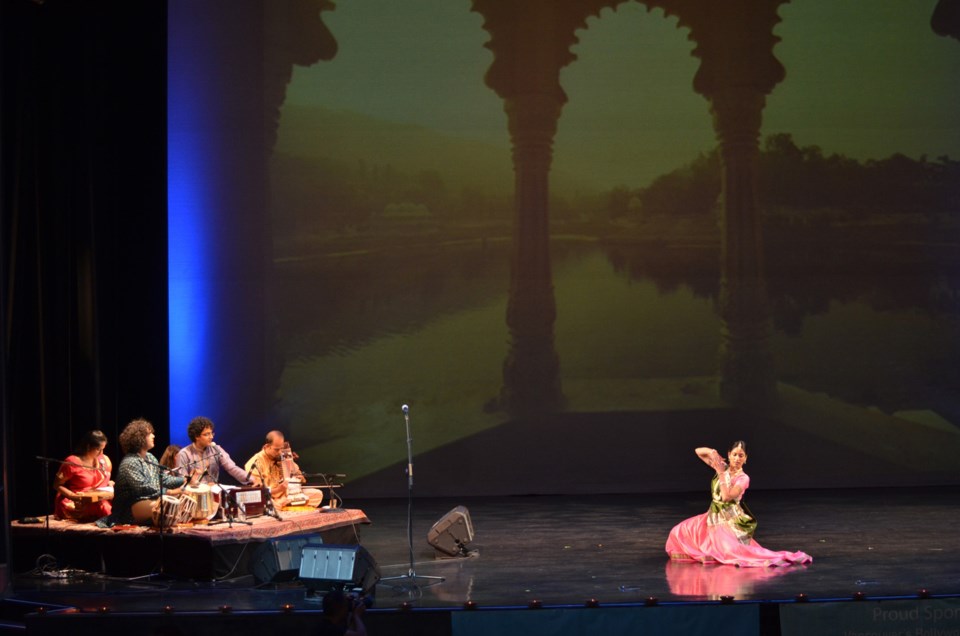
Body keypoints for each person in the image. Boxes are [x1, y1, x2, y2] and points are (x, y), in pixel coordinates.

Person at [665, 441, 812, 567]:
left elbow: (726, 497)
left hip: (729, 520)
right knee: (678, 532)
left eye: (741, 455)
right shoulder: (723, 467)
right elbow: (698, 451)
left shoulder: (743, 478)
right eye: (734, 454)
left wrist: (721, 473)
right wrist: (713, 453)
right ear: (729, 455)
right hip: (711, 516)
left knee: (730, 552)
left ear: (745, 459)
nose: (736, 458)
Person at [96, 419, 199, 527]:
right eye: (149, 434)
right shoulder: (129, 462)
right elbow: (143, 488)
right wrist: (171, 492)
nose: (153, 436)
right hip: (128, 508)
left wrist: (185, 479)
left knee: (177, 505)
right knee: (164, 507)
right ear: (139, 438)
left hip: (149, 502)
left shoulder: (150, 457)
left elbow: (163, 479)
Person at [244, 430, 322, 508]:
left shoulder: (283, 455)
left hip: (288, 495)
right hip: (271, 497)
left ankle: (287, 504)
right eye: (276, 449)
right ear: (267, 446)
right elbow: (259, 492)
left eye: (281, 448)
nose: (279, 452)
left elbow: (300, 478)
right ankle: (287, 504)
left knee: (317, 494)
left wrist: (299, 477)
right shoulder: (255, 462)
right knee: (269, 503)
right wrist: (279, 489)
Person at [53, 430, 114, 522]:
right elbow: (57, 485)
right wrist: (72, 496)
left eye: (103, 449)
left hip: (99, 498)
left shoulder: (104, 460)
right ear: (88, 446)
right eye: (98, 449)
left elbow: (105, 481)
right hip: (77, 501)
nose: (101, 453)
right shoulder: (72, 462)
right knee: (103, 507)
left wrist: (110, 484)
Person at [174, 416, 251, 486]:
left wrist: (251, 479)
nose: (211, 437)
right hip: (193, 495)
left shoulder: (216, 449)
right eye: (206, 434)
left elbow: (232, 468)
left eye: (211, 433)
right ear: (196, 436)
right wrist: (198, 484)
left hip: (213, 494)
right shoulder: (184, 454)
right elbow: (182, 479)